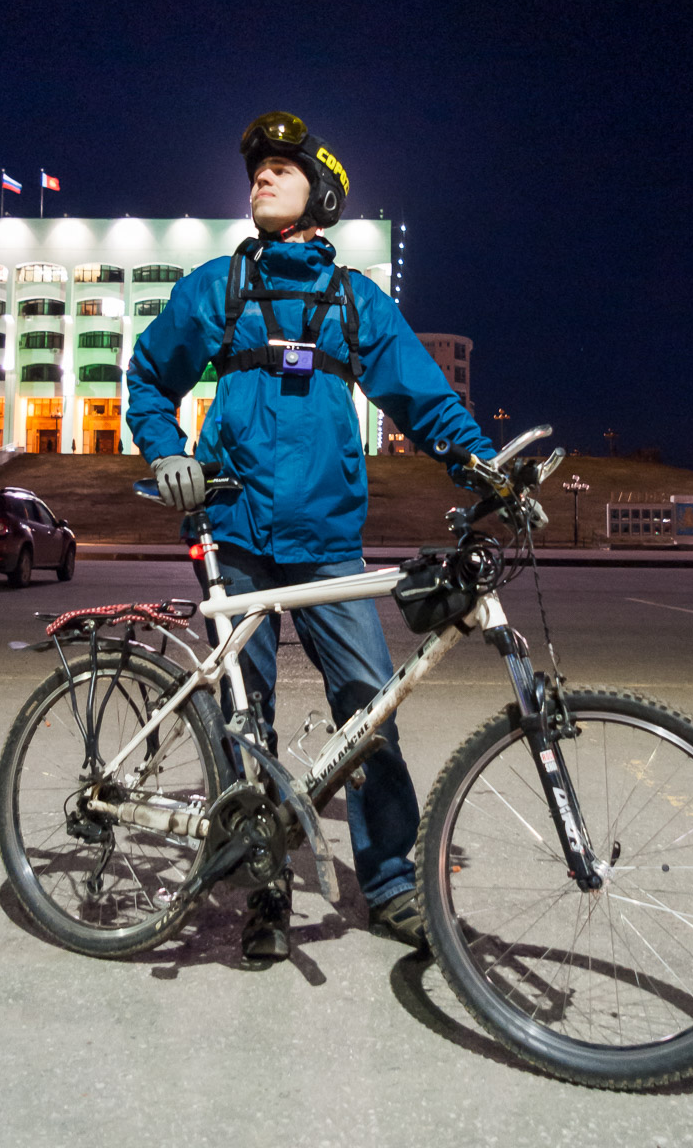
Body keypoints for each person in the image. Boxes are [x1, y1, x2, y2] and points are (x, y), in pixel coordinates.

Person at [126, 111, 495, 964]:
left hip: (327, 538)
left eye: (281, 168)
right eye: (256, 169)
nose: (260, 177)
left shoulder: (354, 301)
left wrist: (483, 468)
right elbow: (147, 376)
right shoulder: (217, 289)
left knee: (369, 710)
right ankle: (262, 885)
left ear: (321, 194)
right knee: (244, 718)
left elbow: (425, 400)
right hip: (236, 533)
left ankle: (390, 883)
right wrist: (167, 450)